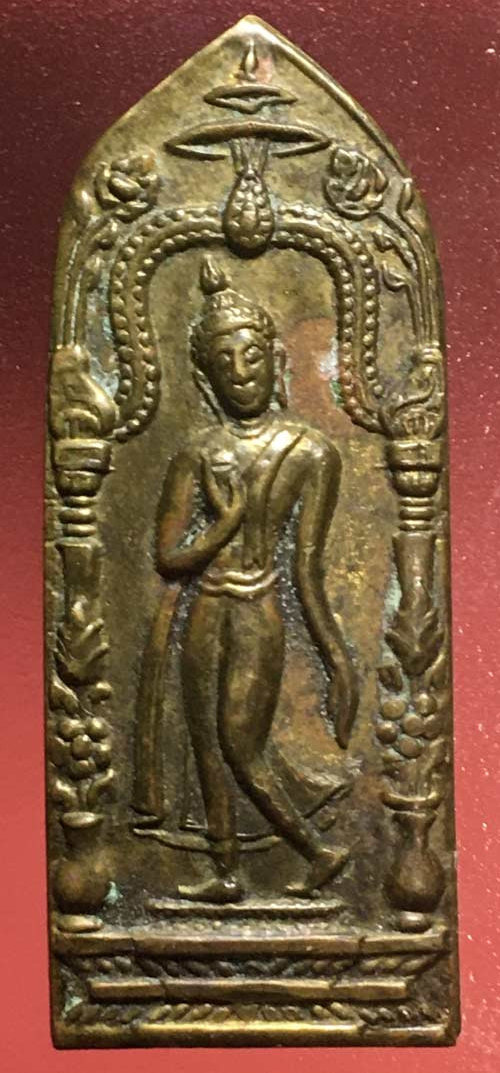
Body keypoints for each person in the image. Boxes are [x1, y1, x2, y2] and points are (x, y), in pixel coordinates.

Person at [154, 256, 358, 902]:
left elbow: (307, 569)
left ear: (275, 361)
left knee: (240, 743)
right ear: (206, 376)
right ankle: (225, 872)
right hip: (205, 609)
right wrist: (225, 524)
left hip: (258, 608)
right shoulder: (196, 452)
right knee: (206, 743)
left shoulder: (310, 453)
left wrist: (337, 659)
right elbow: (169, 557)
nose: (240, 373)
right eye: (225, 362)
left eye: (251, 357)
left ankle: (319, 850)